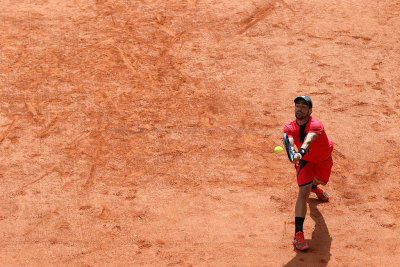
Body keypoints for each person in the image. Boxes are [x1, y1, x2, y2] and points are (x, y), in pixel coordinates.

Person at [283, 95, 334, 251]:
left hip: (323, 161)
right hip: (305, 163)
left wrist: (301, 151)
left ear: (310, 111)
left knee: (321, 180)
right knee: (303, 193)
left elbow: (309, 139)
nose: (299, 109)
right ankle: (298, 233)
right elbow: (290, 140)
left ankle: (314, 186)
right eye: (297, 106)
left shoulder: (316, 124)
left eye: (304, 107)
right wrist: (293, 152)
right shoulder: (289, 127)